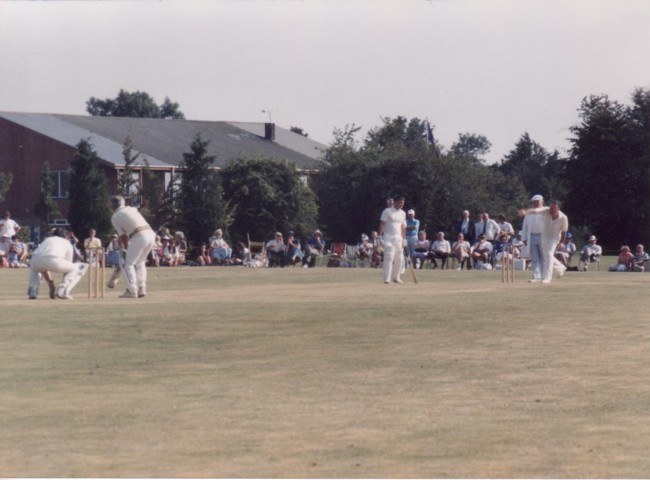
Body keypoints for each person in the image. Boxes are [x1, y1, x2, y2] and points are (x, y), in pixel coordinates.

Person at [110, 195, 156, 298]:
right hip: (151, 234)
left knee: (128, 264)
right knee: (140, 263)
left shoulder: (115, 217)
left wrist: (126, 248)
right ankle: (142, 288)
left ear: (112, 205)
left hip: (139, 236)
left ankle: (132, 291)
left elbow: (123, 236)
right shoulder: (132, 209)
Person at [27, 228, 88, 300]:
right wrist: (63, 281)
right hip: (54, 260)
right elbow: (68, 265)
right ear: (66, 236)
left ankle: (32, 291)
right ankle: (62, 290)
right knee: (77, 268)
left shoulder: (47, 240)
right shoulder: (67, 243)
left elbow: (44, 265)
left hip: (34, 260)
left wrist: (51, 284)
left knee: (35, 270)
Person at [379, 196, 406, 284]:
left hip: (398, 238)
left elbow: (403, 227)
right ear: (395, 202)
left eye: (403, 203)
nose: (402, 204)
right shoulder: (387, 211)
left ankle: (396, 277)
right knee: (389, 256)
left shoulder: (403, 213)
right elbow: (382, 224)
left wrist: (404, 239)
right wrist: (379, 236)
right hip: (388, 237)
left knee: (399, 258)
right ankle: (387, 278)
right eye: (400, 202)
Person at [520, 194, 546, 282]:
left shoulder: (545, 211)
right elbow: (525, 226)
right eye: (534, 202)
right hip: (531, 236)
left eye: (537, 202)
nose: (536, 203)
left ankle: (544, 276)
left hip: (543, 236)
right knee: (535, 258)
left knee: (543, 257)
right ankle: (536, 276)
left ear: (542, 201)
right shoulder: (529, 213)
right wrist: (524, 238)